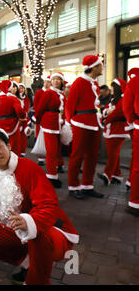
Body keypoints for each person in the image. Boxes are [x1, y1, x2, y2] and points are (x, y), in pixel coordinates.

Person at [0, 126, 78, 284]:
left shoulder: (29, 167)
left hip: (52, 229)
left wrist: (29, 221)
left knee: (38, 235)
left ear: (8, 146)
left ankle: (37, 280)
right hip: (17, 229)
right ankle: (29, 264)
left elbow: (48, 205)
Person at [65, 55, 104, 200]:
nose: (102, 68)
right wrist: (70, 124)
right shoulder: (79, 83)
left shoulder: (94, 83)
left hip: (95, 122)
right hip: (81, 123)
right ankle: (73, 186)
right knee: (77, 155)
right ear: (93, 67)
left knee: (93, 156)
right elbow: (69, 106)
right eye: (100, 65)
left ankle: (87, 185)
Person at [34, 72, 67, 188]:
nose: (56, 81)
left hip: (58, 124)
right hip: (49, 124)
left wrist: (65, 121)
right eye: (54, 79)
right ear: (51, 81)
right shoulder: (48, 93)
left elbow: (64, 110)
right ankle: (52, 176)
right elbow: (41, 107)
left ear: (62, 82)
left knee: (57, 149)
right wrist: (38, 121)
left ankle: (54, 171)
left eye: (58, 79)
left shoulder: (61, 94)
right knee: (51, 151)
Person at [98, 78, 130, 186]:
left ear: (117, 88)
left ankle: (107, 174)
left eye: (112, 87)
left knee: (112, 154)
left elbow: (116, 114)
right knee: (114, 154)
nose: (111, 89)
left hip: (118, 130)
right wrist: (107, 113)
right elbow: (106, 111)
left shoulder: (123, 100)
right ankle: (117, 175)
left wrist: (106, 118)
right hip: (111, 129)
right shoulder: (113, 100)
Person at [123, 67, 139, 216]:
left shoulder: (134, 82)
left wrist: (132, 121)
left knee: (137, 166)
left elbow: (127, 107)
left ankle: (135, 203)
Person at [32, 75, 51, 167]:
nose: (47, 84)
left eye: (49, 82)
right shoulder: (39, 92)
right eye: (46, 82)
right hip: (41, 117)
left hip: (50, 118)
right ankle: (41, 158)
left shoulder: (52, 92)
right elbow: (36, 105)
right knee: (40, 137)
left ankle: (49, 157)